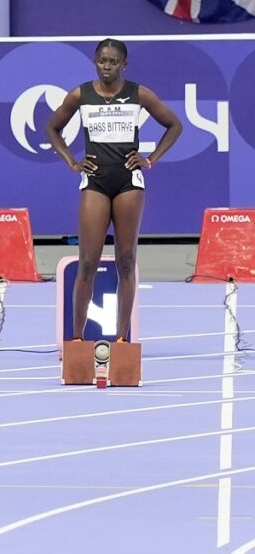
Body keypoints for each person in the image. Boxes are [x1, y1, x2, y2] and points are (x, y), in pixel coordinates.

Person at [46, 38, 182, 342]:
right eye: (101, 61)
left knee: (125, 261)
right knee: (88, 262)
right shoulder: (81, 95)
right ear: (95, 62)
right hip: (95, 181)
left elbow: (174, 125)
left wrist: (150, 159)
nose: (107, 67)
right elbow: (52, 128)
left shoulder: (139, 94)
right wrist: (72, 161)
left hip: (128, 182)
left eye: (113, 62)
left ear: (124, 64)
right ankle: (77, 341)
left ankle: (122, 339)